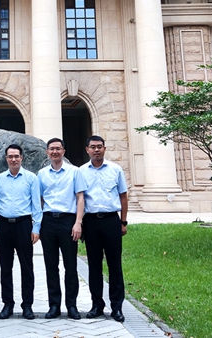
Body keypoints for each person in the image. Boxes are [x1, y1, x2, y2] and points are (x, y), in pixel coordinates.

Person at [79, 135, 128, 323]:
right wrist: (80, 223)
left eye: (99, 146)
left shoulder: (115, 170)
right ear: (87, 149)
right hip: (91, 222)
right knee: (94, 265)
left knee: (115, 265)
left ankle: (117, 307)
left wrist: (123, 222)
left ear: (104, 149)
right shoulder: (81, 172)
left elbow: (123, 196)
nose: (96, 150)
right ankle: (97, 305)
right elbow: (79, 198)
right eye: (93, 147)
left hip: (111, 221)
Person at [0, 144, 43, 320]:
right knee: (5, 268)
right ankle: (8, 304)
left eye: (16, 156)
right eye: (10, 156)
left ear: (22, 158)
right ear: (6, 158)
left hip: (23, 225)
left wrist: (36, 228)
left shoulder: (31, 178)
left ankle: (27, 305)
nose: (13, 159)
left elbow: (36, 205)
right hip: (4, 226)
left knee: (27, 267)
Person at [37, 137, 86, 320]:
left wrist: (78, 222)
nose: (55, 152)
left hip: (68, 221)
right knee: (51, 266)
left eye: (58, 148)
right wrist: (38, 224)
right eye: (52, 149)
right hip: (48, 221)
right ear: (47, 152)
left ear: (63, 151)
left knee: (70, 266)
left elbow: (80, 197)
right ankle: (54, 305)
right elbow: (39, 200)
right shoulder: (42, 174)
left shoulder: (74, 172)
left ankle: (71, 305)